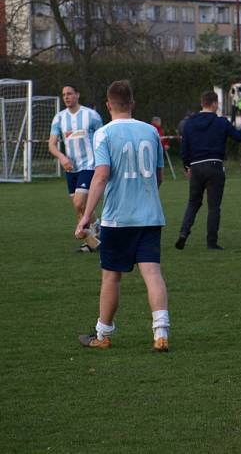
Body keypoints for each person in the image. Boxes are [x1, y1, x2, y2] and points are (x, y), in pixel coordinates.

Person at [75, 80, 171, 352]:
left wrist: (87, 215)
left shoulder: (103, 134)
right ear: (133, 103)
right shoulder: (151, 131)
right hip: (150, 215)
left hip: (118, 218)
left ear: (108, 105)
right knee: (152, 273)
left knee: (111, 277)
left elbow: (102, 175)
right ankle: (160, 333)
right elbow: (158, 176)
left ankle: (103, 334)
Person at [176, 91, 241, 250]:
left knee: (193, 203)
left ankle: (183, 233)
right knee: (213, 206)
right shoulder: (221, 122)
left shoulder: (189, 123)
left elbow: (184, 148)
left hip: (195, 167)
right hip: (215, 165)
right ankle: (211, 242)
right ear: (215, 103)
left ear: (202, 103)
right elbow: (239, 137)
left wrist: (186, 165)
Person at [48, 84, 104, 252]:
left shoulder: (91, 115)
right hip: (71, 168)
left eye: (70, 93)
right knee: (79, 208)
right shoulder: (59, 118)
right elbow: (51, 144)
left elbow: (102, 138)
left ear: (77, 95)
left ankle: (96, 231)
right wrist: (62, 157)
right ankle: (93, 241)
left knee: (80, 203)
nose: (66, 97)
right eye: (64, 94)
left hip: (89, 165)